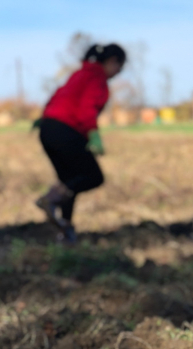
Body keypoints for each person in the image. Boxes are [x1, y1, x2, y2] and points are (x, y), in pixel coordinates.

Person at [35, 43, 126, 243]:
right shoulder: (97, 78)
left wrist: (44, 119)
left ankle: (65, 231)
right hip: (66, 129)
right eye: (120, 67)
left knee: (70, 181)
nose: (119, 72)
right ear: (112, 62)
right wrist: (93, 133)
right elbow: (87, 108)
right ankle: (50, 199)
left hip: (48, 128)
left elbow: (58, 95)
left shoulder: (79, 73)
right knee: (93, 177)